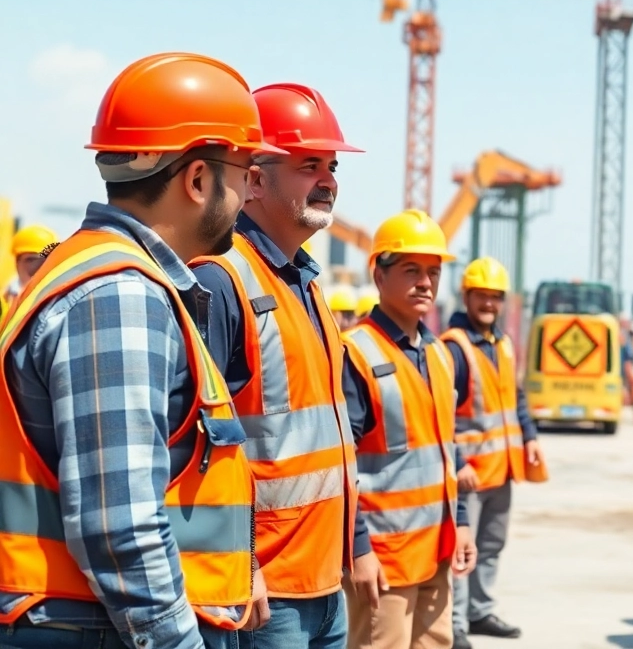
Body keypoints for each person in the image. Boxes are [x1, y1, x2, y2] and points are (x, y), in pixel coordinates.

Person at [0, 52, 278, 648]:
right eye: (246, 170)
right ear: (198, 180)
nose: (250, 191)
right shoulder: (121, 294)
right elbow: (118, 527)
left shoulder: (111, 275)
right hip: (95, 629)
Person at [194, 82, 366, 649]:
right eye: (308, 165)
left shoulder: (308, 285)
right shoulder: (221, 280)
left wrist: (357, 544)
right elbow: (198, 449)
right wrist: (240, 562)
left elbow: (332, 440)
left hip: (325, 579)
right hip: (266, 593)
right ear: (255, 180)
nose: (328, 180)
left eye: (332, 166)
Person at [342, 210, 479, 649]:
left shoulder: (439, 354)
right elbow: (341, 464)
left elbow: (445, 449)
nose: (425, 283)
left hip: (436, 550)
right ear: (379, 276)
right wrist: (358, 550)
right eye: (411, 270)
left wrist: (461, 523)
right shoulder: (356, 353)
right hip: (384, 559)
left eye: (433, 272)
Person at [441, 257, 544, 648]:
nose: (488, 303)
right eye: (481, 295)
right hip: (468, 474)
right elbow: (440, 414)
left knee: (491, 545)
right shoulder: (455, 349)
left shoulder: (503, 344)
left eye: (495, 297)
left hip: (502, 469)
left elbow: (515, 396)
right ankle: (455, 624)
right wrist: (458, 463)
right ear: (467, 296)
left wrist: (530, 436)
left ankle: (479, 611)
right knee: (462, 550)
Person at [3, 224, 59, 309]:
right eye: (31, 260)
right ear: (17, 262)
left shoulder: (61, 296)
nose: (37, 266)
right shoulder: (5, 298)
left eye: (44, 261)